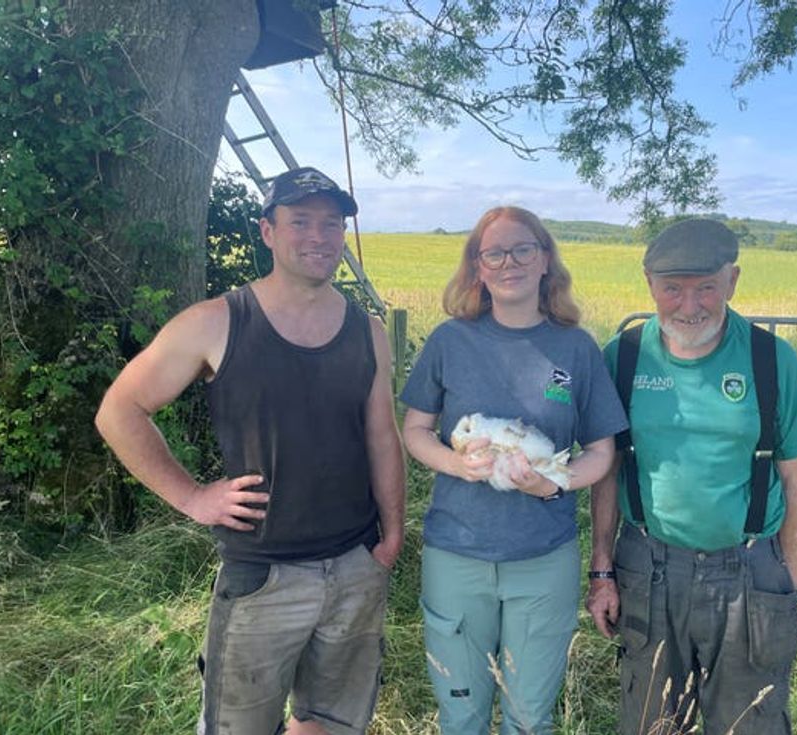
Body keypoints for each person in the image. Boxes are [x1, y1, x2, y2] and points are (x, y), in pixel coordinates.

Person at [95, 167, 405, 735]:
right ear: (267, 231)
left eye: (331, 223)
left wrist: (390, 538)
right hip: (262, 576)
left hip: (356, 565)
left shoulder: (369, 331)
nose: (319, 236)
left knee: (331, 724)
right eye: (301, 221)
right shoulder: (216, 322)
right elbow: (119, 411)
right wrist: (191, 496)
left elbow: (383, 435)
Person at [586, 218, 797, 734]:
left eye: (707, 289)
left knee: (750, 722)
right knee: (650, 722)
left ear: (733, 281)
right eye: (673, 289)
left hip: (747, 570)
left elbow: (795, 479)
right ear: (649, 283)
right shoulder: (623, 356)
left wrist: (791, 581)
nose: (689, 306)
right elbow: (606, 472)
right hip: (648, 568)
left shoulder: (770, 359)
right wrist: (602, 570)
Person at [400, 206, 628, 735]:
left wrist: (553, 483)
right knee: (461, 715)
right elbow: (414, 432)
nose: (510, 263)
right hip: (455, 555)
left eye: (523, 249)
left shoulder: (576, 348)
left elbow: (602, 451)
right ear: (477, 267)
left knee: (529, 717)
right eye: (494, 253)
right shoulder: (450, 341)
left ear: (545, 259)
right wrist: (458, 464)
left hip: (542, 559)